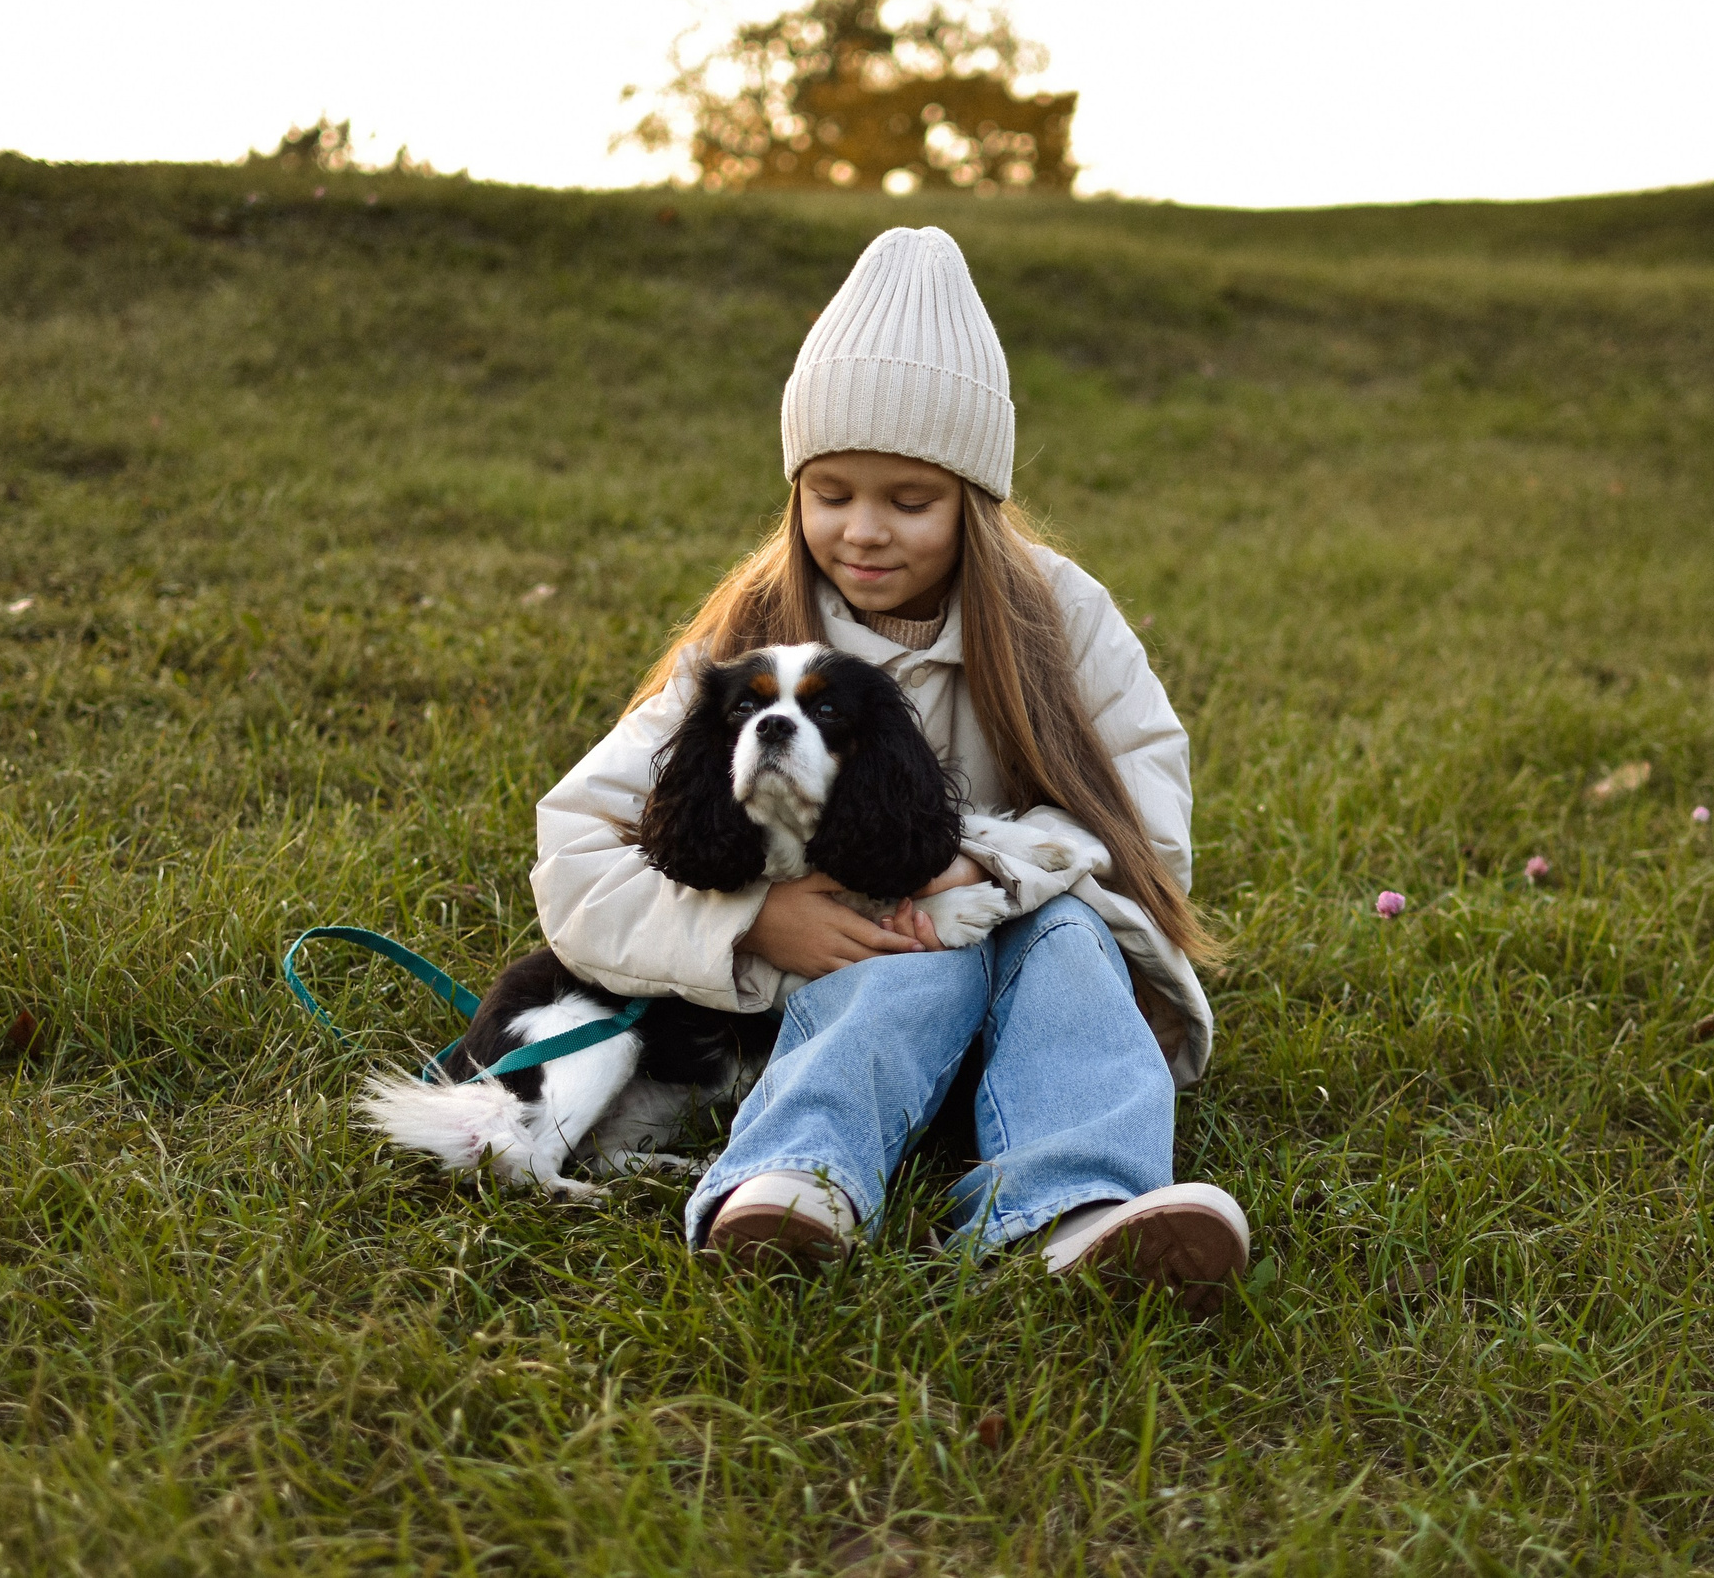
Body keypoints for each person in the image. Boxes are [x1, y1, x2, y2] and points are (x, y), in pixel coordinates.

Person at [531, 226, 1247, 1310]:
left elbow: (1146, 826)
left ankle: (1082, 1204)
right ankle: (796, 1182)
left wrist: (983, 868)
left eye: (909, 500)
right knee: (909, 954)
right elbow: (576, 849)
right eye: (830, 493)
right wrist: (748, 925)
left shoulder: (1059, 617)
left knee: (1055, 925)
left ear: (973, 497)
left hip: (1034, 1026)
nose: (862, 532)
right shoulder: (754, 640)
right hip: (836, 1012)